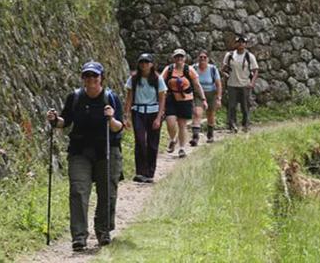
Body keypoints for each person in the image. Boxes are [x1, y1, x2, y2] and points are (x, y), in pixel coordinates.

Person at [46, 61, 123, 251]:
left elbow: (118, 127)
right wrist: (55, 120)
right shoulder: (75, 98)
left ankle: (103, 231)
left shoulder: (111, 98)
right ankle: (79, 236)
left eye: (94, 76)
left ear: (101, 78)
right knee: (78, 191)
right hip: (80, 150)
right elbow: (65, 122)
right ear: (83, 79)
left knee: (107, 192)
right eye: (87, 76)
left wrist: (111, 118)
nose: (91, 80)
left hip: (107, 150)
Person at [124, 53, 166, 184]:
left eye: (147, 62)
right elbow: (129, 97)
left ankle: (150, 173)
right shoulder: (134, 79)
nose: (144, 65)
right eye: (142, 62)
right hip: (138, 112)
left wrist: (159, 117)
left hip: (153, 112)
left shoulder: (158, 79)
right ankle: (140, 171)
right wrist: (126, 116)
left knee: (153, 144)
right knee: (140, 141)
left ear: (152, 64)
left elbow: (162, 98)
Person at [162, 48, 208, 158]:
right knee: (170, 122)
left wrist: (203, 99)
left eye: (181, 57)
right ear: (173, 58)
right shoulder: (168, 70)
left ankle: (182, 148)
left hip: (185, 99)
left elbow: (197, 85)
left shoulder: (189, 70)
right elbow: (160, 82)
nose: (179, 59)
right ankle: (173, 139)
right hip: (171, 98)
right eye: (177, 57)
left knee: (182, 125)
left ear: (184, 58)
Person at [222, 36, 259, 132]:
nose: (241, 44)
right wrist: (226, 75)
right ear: (235, 44)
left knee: (245, 106)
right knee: (232, 106)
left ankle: (246, 124)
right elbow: (223, 69)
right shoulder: (229, 55)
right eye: (239, 42)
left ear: (246, 44)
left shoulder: (249, 56)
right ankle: (232, 125)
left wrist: (252, 83)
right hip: (232, 85)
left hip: (245, 85)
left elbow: (255, 71)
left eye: (243, 42)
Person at [192, 50, 223, 144]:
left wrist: (218, 98)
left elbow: (218, 84)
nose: (202, 59)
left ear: (208, 59)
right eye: (200, 57)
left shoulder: (213, 69)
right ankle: (195, 137)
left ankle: (210, 135)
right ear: (198, 58)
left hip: (211, 93)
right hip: (198, 94)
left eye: (204, 57)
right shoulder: (193, 68)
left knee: (210, 114)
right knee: (197, 113)